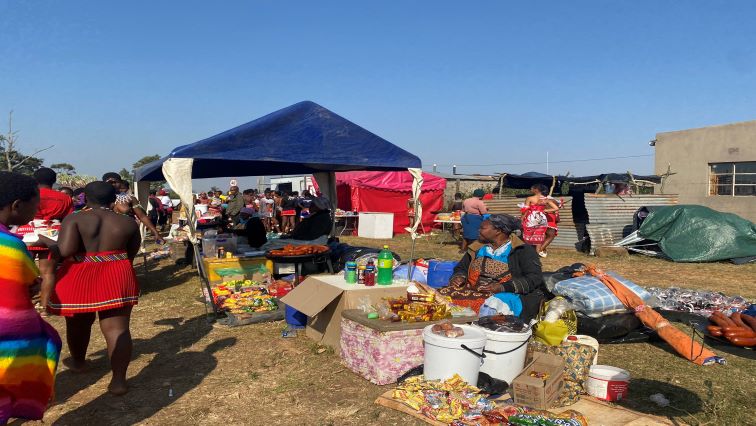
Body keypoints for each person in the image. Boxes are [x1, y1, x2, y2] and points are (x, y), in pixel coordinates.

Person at [43, 181, 141, 396]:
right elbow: (132, 253)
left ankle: (79, 363)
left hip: (80, 272)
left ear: (85, 198)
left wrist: (47, 243)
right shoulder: (127, 222)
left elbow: (66, 249)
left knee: (78, 322)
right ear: (114, 199)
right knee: (117, 329)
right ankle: (118, 382)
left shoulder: (75, 218)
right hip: (116, 270)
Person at [0, 171, 62, 423]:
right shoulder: (9, 245)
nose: (36, 212)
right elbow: (26, 282)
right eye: (35, 206)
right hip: (7, 328)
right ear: (16, 206)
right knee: (49, 341)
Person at [437, 214, 547, 320]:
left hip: (507, 294)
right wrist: (459, 277)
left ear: (498, 231)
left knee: (489, 306)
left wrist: (502, 287)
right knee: (438, 296)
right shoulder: (477, 247)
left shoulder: (522, 250)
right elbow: (461, 268)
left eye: (482, 228)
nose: (478, 230)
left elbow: (534, 278)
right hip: (472, 290)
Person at [16, 168, 75, 310]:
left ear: (35, 180)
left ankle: (23, 304)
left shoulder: (29, 195)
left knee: (21, 270)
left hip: (27, 232)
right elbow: (69, 219)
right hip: (52, 234)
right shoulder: (65, 198)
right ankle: (44, 307)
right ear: (54, 181)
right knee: (48, 272)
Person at [103, 173, 163, 244]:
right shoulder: (98, 198)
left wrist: (156, 233)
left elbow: (142, 216)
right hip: (105, 234)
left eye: (115, 182)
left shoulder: (129, 198)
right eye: (109, 183)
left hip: (126, 233)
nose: (112, 185)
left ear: (121, 183)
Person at [522, 184, 560, 257]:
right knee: (539, 236)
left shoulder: (530, 198)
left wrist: (522, 218)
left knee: (528, 235)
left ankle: (528, 252)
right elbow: (556, 208)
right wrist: (545, 210)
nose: (531, 190)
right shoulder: (546, 199)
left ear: (536, 190)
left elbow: (525, 210)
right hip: (542, 218)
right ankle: (537, 253)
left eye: (532, 189)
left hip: (532, 217)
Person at [460, 189, 488, 253]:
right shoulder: (479, 202)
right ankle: (473, 250)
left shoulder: (466, 200)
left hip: (466, 217)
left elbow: (463, 210)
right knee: (475, 235)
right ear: (481, 196)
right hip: (475, 219)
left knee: (466, 234)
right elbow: (483, 212)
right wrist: (486, 209)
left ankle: (462, 249)